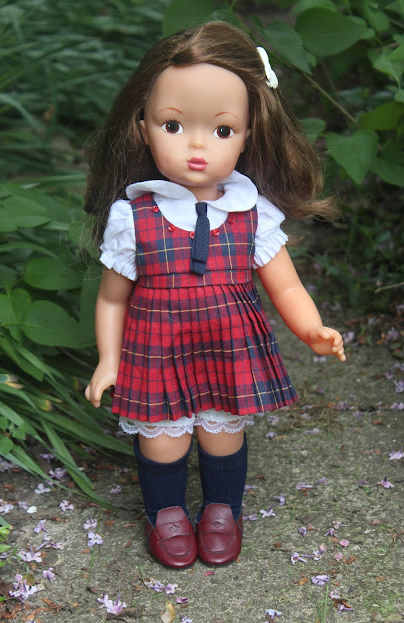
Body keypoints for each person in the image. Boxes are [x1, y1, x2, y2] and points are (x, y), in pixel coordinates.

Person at [84, 21, 346, 569]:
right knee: (164, 440)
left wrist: (311, 328)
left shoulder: (253, 215)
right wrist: (109, 359)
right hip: (157, 347)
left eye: (223, 130)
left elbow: (286, 284)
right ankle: (166, 512)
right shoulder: (134, 217)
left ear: (248, 136)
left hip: (228, 348)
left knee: (222, 434)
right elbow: (112, 299)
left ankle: (224, 510)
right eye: (173, 125)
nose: (198, 145)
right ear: (142, 127)